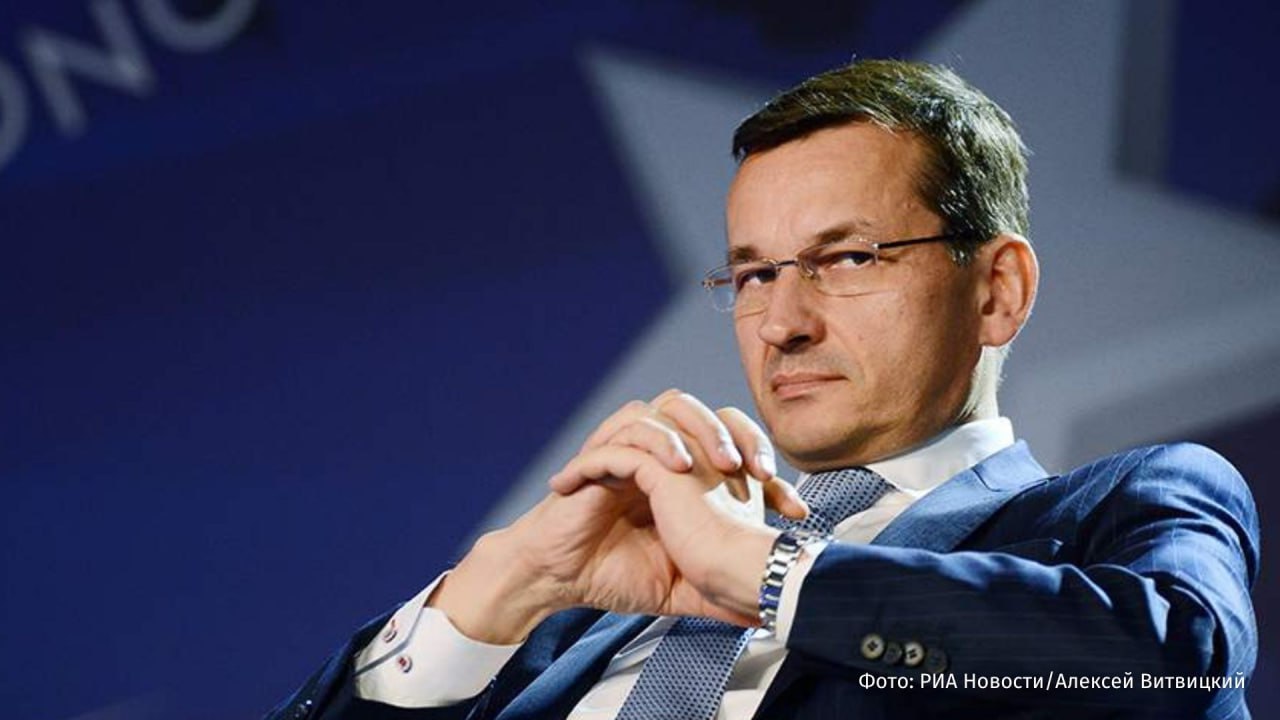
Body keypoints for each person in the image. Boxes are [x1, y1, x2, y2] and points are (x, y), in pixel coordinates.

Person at [267, 59, 1259, 719]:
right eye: (752, 274)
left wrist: (763, 573)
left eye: (848, 257)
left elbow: (1175, 668)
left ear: (996, 289)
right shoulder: (581, 610)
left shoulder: (1115, 514)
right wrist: (498, 585)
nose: (781, 322)